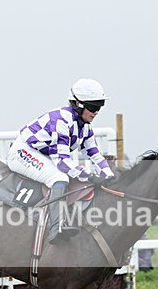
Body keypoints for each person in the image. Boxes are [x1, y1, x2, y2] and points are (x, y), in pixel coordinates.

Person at [7, 78, 115, 244]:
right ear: (78, 105)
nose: (96, 112)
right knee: (59, 178)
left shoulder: (85, 127)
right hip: (23, 152)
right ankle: (55, 227)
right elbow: (63, 163)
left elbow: (94, 154)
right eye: (93, 107)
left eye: (99, 107)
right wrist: (90, 175)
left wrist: (109, 174)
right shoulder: (61, 121)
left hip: (42, 155)